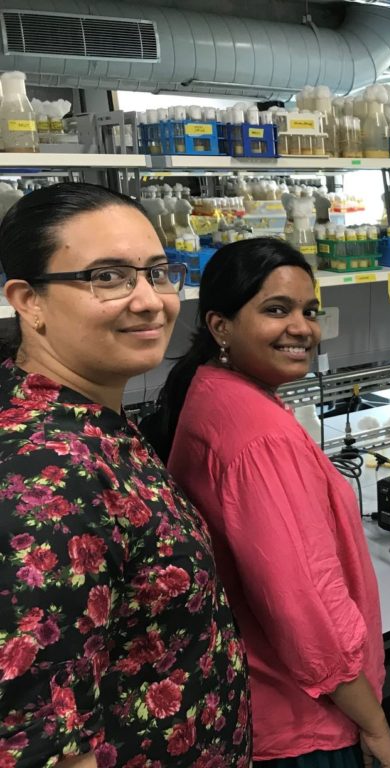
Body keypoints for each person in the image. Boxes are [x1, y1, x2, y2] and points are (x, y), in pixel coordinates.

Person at [0, 183, 252, 767]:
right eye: (107, 277)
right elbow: (45, 749)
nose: (150, 300)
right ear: (28, 300)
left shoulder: (83, 417)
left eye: (158, 273)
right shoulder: (47, 473)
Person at [153, 238, 390, 768]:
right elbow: (309, 613)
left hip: (253, 697)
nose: (302, 328)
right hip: (303, 721)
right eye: (276, 309)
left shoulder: (210, 388)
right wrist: (376, 725)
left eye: (309, 311)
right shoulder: (262, 438)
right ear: (220, 326)